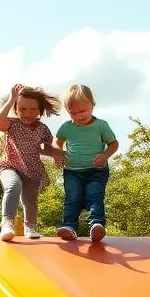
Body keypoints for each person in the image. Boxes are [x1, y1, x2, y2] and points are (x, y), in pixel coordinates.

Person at [0, 83, 63, 241]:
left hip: (32, 170)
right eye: (22, 109)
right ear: (16, 109)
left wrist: (58, 154)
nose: (28, 113)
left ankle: (30, 228)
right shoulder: (12, 124)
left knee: (30, 199)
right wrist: (11, 100)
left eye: (33, 109)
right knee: (13, 186)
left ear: (40, 111)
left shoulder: (42, 128)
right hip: (10, 165)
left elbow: (49, 147)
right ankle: (7, 223)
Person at [53, 84, 118, 243]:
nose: (78, 116)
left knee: (94, 195)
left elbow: (113, 144)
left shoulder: (101, 125)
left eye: (82, 111)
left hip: (96, 170)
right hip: (72, 171)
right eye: (72, 113)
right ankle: (69, 226)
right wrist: (58, 154)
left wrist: (105, 155)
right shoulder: (67, 127)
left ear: (92, 105)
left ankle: (97, 224)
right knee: (72, 197)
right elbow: (57, 142)